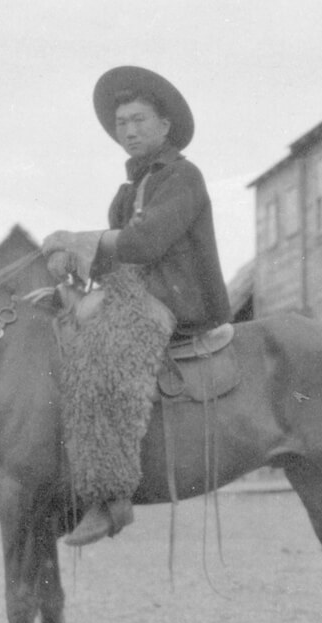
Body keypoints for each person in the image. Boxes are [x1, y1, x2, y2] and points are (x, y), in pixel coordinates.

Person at [42, 66, 231, 547]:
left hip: (178, 296)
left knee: (103, 352)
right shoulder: (128, 192)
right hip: (139, 290)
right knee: (66, 321)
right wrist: (76, 266)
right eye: (121, 122)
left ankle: (111, 496)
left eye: (139, 119)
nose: (128, 130)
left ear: (165, 126)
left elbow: (146, 243)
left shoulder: (182, 176)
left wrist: (81, 240)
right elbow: (116, 258)